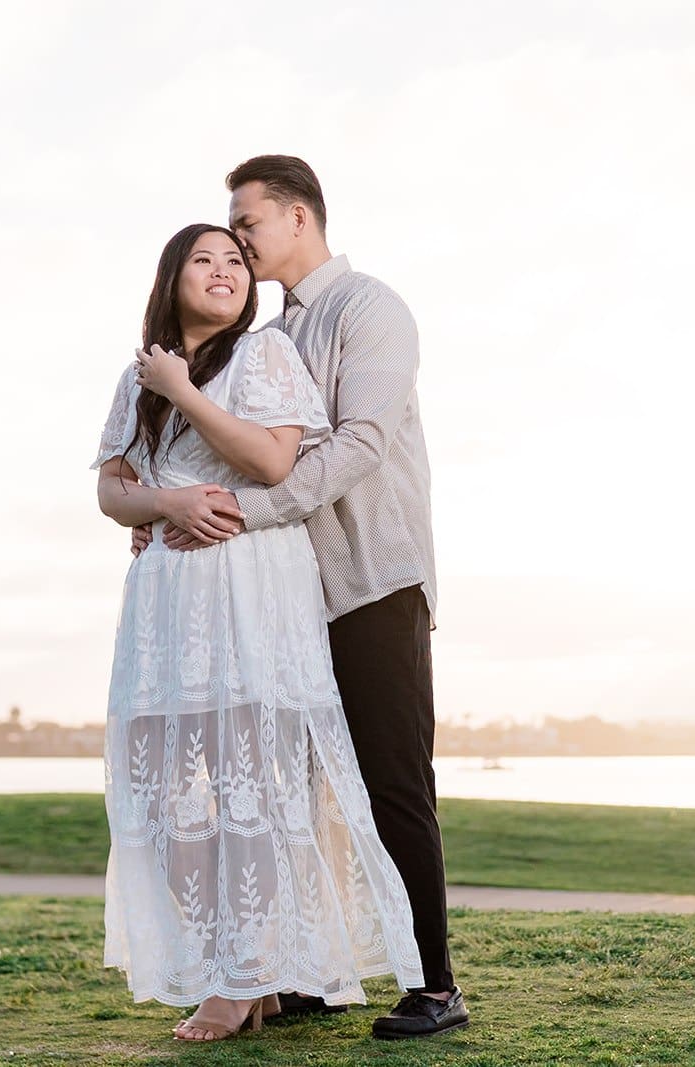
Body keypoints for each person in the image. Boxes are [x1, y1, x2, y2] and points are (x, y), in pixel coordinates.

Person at [132, 155, 469, 1040]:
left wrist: (239, 511)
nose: (237, 242)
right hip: (287, 599)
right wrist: (171, 499)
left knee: (395, 782)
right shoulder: (268, 334)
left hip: (370, 577)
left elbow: (358, 443)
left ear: (297, 217)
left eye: (246, 224)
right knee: (301, 788)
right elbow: (222, 448)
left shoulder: (371, 310)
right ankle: (302, 972)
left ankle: (435, 984)